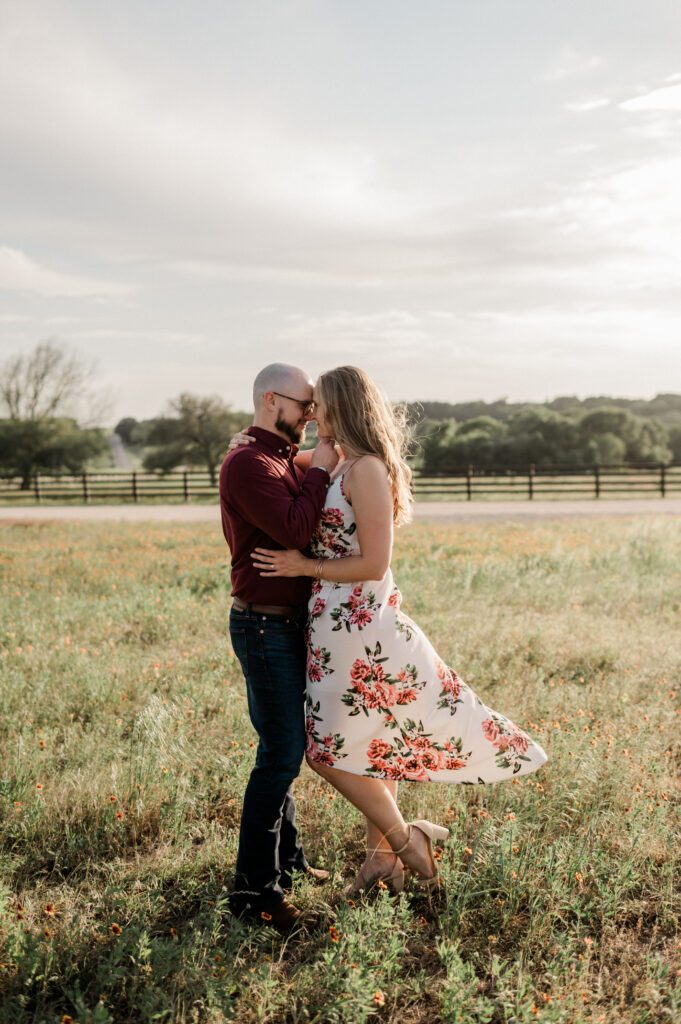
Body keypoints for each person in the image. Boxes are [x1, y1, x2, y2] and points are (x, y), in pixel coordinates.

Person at [246, 365, 548, 896]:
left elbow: (374, 562)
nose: (312, 415)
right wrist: (245, 441)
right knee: (371, 744)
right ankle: (380, 863)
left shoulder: (366, 469)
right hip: (331, 623)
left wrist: (303, 566)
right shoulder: (335, 458)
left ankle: (408, 839)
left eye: (320, 406)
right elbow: (277, 462)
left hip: (360, 623)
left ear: (343, 407)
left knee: (324, 752)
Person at [219, 362, 339, 930]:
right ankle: (254, 892)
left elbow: (324, 461)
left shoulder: (275, 457)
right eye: (303, 405)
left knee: (282, 747)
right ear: (271, 400)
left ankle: (287, 862)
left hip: (283, 627)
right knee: (282, 753)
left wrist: (322, 458)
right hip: (263, 626)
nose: (311, 414)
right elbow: (295, 528)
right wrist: (321, 469)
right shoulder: (249, 463)